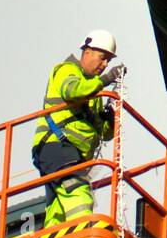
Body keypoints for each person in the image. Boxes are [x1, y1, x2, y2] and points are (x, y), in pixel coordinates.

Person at [32, 30, 125, 226]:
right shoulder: (67, 70)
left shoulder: (93, 90)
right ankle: (83, 231)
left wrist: (110, 118)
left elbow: (103, 134)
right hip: (56, 146)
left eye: (108, 60)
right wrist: (105, 80)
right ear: (87, 51)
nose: (105, 64)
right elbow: (72, 91)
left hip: (69, 153)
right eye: (102, 58)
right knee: (78, 191)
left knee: (58, 207)